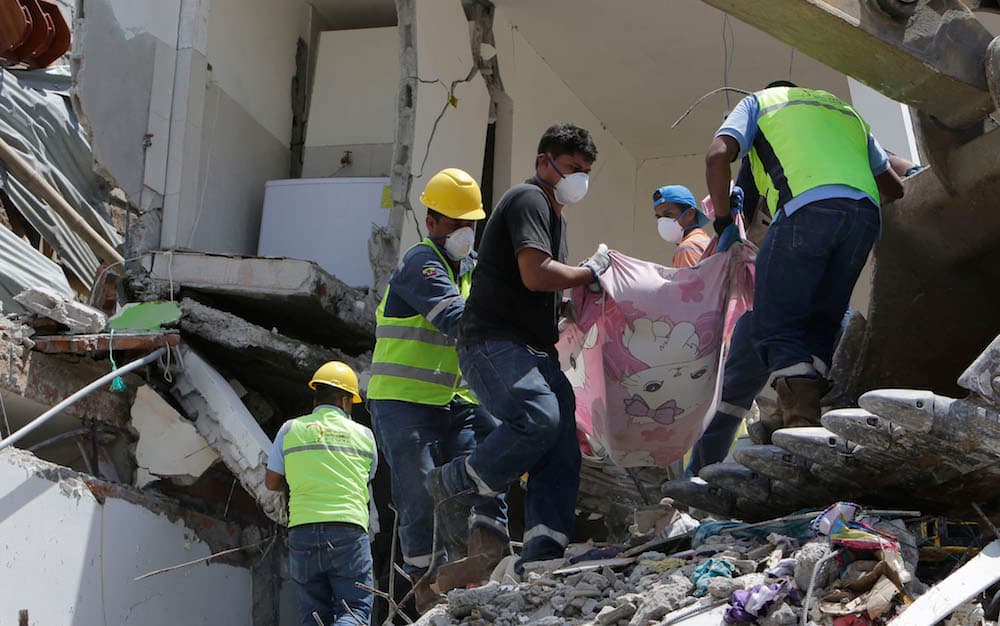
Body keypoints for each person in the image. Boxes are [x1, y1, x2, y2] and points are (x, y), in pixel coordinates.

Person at [426, 123, 611, 572]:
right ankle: (458, 481)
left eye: (584, 171)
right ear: (543, 161)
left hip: (533, 348)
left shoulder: (554, 215)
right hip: (495, 342)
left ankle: (543, 550)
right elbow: (535, 273)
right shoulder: (529, 200)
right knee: (538, 418)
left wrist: (572, 305)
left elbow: (540, 288)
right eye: (571, 168)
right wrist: (587, 272)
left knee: (562, 445)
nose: (577, 179)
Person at [704, 81, 903, 444]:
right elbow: (894, 186)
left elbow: (717, 155)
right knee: (822, 323)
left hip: (805, 208)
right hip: (863, 217)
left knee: (771, 321)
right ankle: (806, 415)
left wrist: (721, 221)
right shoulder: (842, 110)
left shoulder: (757, 103)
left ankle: (798, 419)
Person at [367, 168, 508, 610]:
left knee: (480, 472)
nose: (465, 231)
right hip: (404, 403)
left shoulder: (474, 268)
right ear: (432, 223)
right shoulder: (420, 263)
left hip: (456, 400)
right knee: (419, 492)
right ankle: (427, 584)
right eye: (454, 222)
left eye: (470, 223)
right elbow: (457, 319)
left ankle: (481, 560)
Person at [265, 362, 376, 626]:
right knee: (354, 611)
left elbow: (271, 482)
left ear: (316, 396)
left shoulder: (290, 429)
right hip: (347, 530)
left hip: (302, 531)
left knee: (313, 614)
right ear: (345, 399)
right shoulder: (364, 435)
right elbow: (365, 479)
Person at [652, 184, 713, 267]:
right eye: (659, 217)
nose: (663, 222)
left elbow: (693, 280)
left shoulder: (688, 247)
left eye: (668, 214)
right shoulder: (705, 241)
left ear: (690, 214)